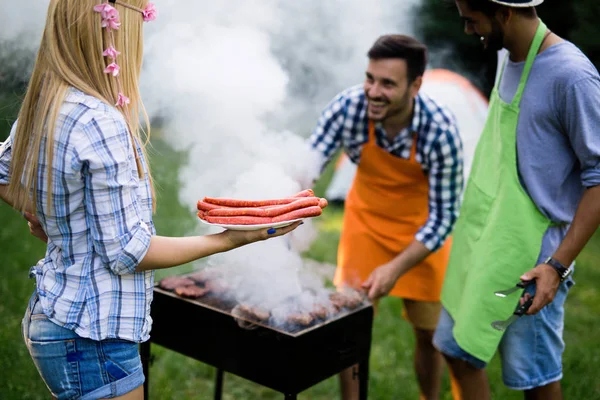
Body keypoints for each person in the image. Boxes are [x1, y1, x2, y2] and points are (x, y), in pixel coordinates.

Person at [0, 1, 300, 399]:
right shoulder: (101, 121)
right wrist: (232, 239)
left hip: (58, 312)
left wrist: (52, 217)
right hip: (94, 336)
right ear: (114, 31)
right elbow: (129, 253)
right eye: (137, 25)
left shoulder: (49, 100)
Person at [433, 1, 600, 399]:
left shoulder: (572, 77)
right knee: (455, 349)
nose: (469, 30)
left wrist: (555, 267)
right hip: (483, 240)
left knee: (536, 381)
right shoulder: (507, 55)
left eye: (472, 20)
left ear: (504, 13)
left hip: (533, 258)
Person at [309, 34, 464, 400]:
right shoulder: (349, 107)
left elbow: (444, 218)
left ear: (416, 85)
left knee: (429, 334)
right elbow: (309, 162)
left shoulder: (439, 131)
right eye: (370, 78)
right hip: (366, 226)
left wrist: (395, 267)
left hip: (421, 236)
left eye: (388, 84)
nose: (373, 92)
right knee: (350, 328)